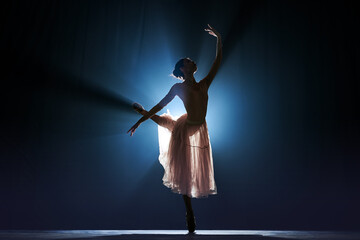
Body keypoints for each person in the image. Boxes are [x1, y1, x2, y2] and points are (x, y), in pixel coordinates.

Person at [128, 24, 222, 233]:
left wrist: (219, 38)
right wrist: (141, 122)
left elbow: (217, 62)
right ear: (182, 68)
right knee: (171, 129)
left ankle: (142, 113)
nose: (192, 61)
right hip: (187, 126)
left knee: (170, 124)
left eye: (191, 60)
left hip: (198, 127)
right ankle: (190, 213)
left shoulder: (204, 83)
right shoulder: (178, 88)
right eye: (188, 61)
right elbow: (160, 105)